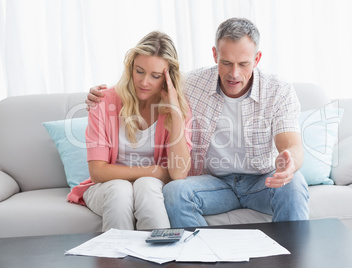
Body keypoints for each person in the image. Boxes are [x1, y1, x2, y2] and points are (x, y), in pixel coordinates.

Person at [86, 18, 309, 228]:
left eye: (243, 64)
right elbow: (149, 82)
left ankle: (290, 259)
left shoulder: (279, 90)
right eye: (226, 62)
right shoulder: (191, 84)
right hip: (213, 183)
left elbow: (292, 145)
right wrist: (98, 96)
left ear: (257, 59)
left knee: (294, 183)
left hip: (262, 181)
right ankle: (200, 255)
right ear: (214, 55)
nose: (234, 73)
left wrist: (289, 162)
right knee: (175, 191)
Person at [68, 31, 192, 231]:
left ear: (168, 78)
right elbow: (98, 171)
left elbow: (177, 173)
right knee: (121, 189)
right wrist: (154, 171)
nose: (144, 82)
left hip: (150, 186)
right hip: (106, 187)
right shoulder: (103, 101)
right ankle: (117, 260)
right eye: (140, 71)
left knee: (147, 186)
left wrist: (175, 113)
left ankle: (159, 258)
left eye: (156, 76)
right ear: (130, 67)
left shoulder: (178, 108)